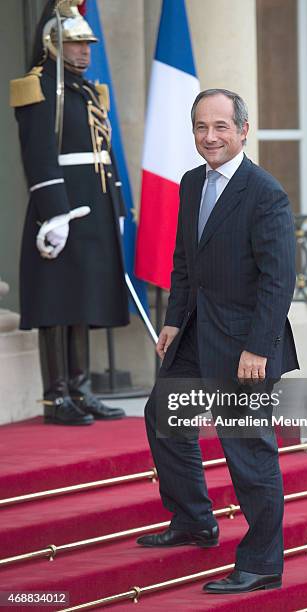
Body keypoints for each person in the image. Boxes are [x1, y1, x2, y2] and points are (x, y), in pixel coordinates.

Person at [136, 88, 298, 594]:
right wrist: (171, 321)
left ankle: (263, 563)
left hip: (245, 346)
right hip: (194, 333)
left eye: (221, 127)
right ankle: (194, 520)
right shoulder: (190, 184)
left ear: (243, 130)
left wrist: (258, 348)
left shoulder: (264, 192)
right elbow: (185, 263)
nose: (210, 137)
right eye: (201, 127)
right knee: (163, 418)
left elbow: (279, 279)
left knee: (248, 451)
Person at [10, 0, 128, 425]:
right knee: (58, 301)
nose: (84, 51)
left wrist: (115, 203)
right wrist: (54, 214)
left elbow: (104, 152)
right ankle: (55, 395)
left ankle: (80, 388)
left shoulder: (86, 90)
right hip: (60, 208)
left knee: (85, 298)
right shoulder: (38, 85)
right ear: (53, 42)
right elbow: (39, 155)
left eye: (87, 43)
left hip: (94, 205)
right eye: (76, 43)